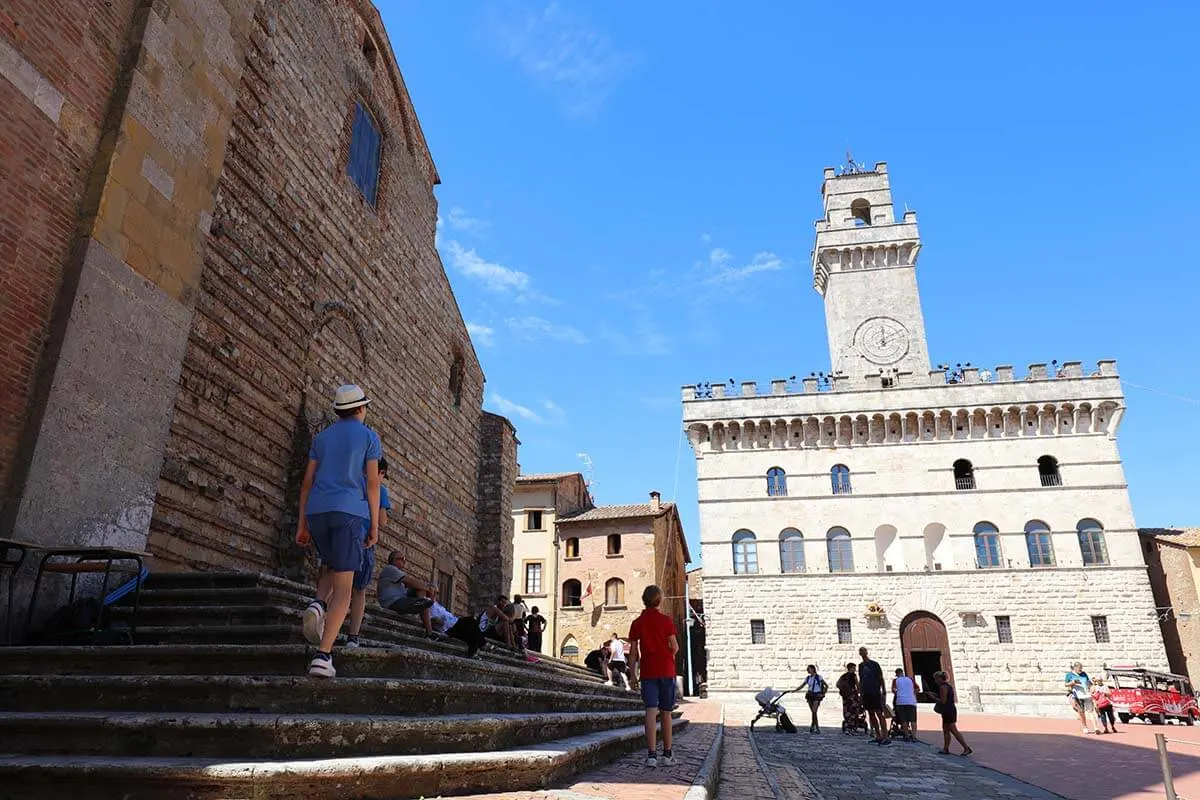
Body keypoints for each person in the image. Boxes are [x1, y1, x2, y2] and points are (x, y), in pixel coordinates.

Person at [295, 384, 381, 678]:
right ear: (360, 409)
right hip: (349, 513)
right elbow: (372, 485)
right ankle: (323, 655)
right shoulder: (369, 437)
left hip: (317, 511)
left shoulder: (321, 438)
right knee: (345, 589)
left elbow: (306, 483)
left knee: (331, 567)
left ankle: (319, 604)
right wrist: (374, 526)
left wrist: (302, 523)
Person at [343, 457, 393, 647]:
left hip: (344, 537)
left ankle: (323, 624)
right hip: (365, 542)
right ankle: (353, 636)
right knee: (359, 590)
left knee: (337, 584)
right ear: (380, 472)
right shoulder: (380, 490)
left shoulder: (352, 481)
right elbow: (382, 521)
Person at [628, 584, 679, 769]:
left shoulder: (637, 623)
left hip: (648, 672)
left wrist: (633, 674)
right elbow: (675, 646)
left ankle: (651, 755)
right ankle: (667, 753)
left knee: (650, 710)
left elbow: (633, 652)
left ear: (644, 600)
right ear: (659, 600)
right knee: (666, 712)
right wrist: (668, 656)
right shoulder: (666, 621)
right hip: (666, 670)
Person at [376, 551, 435, 634]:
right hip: (392, 602)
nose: (404, 561)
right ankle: (423, 604)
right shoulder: (390, 568)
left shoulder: (397, 573)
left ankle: (423, 603)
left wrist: (427, 588)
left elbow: (413, 585)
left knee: (421, 592)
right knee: (424, 599)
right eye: (401, 558)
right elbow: (411, 582)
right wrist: (429, 589)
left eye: (405, 559)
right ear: (393, 560)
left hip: (400, 599)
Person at [933, 670, 972, 755]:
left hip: (947, 710)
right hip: (950, 709)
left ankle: (966, 747)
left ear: (940, 678)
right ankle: (946, 748)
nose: (935, 681)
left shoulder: (943, 687)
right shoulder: (948, 686)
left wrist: (933, 697)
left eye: (936, 679)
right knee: (946, 729)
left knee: (953, 730)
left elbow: (943, 701)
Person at [858, 647, 890, 745]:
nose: (862, 653)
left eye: (863, 651)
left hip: (875, 692)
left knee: (879, 713)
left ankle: (886, 736)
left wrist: (884, 690)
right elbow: (861, 679)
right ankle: (878, 735)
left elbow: (880, 677)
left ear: (866, 652)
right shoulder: (861, 666)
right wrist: (860, 693)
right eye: (860, 651)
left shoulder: (874, 664)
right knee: (871, 714)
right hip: (866, 693)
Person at [1066, 661, 1101, 735]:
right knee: (1081, 713)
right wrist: (1073, 682)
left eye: (1081, 669)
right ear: (1075, 668)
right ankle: (1085, 727)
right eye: (1079, 669)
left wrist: (1092, 687)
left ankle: (1096, 728)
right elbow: (1066, 684)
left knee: (1091, 711)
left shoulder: (1084, 674)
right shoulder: (1069, 675)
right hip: (1077, 696)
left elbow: (1088, 682)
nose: (1081, 670)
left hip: (1087, 695)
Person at [892, 668, 919, 741]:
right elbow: (917, 688)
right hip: (911, 701)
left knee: (904, 720)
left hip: (901, 701)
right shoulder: (910, 679)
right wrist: (913, 694)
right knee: (913, 720)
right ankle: (914, 736)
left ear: (897, 674)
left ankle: (906, 736)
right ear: (902, 673)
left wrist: (898, 694)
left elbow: (893, 690)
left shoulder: (895, 680)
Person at [802, 664, 827, 734]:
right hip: (810, 695)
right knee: (813, 712)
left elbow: (826, 685)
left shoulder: (819, 677)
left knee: (814, 711)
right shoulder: (808, 678)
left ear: (813, 669)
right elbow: (802, 685)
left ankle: (817, 727)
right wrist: (794, 690)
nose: (807, 670)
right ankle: (813, 726)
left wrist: (823, 694)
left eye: (809, 668)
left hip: (816, 695)